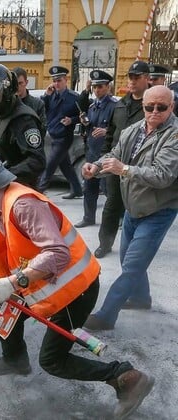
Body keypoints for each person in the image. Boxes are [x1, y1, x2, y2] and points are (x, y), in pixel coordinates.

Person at [0, 149, 155, 419]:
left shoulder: (22, 205)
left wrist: (15, 281)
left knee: (52, 360)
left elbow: (57, 253)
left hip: (74, 292)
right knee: (7, 309)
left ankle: (124, 377)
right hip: (52, 285)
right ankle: (14, 359)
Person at [82, 85, 178, 332]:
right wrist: (95, 166)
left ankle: (106, 315)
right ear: (143, 106)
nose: (154, 112)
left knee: (133, 265)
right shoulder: (134, 129)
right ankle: (140, 299)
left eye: (161, 107)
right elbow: (114, 153)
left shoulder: (175, 135)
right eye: (149, 107)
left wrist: (123, 169)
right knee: (128, 258)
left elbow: (162, 175)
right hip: (133, 206)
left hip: (158, 210)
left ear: (172, 106)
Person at [94, 61, 149, 258]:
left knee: (135, 209)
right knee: (111, 205)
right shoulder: (120, 104)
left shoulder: (152, 106)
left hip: (139, 167)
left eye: (137, 77)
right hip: (115, 164)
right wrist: (105, 157)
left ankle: (134, 247)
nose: (132, 81)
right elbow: (111, 134)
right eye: (130, 77)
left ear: (146, 78)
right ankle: (105, 243)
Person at [0, 64, 46, 188]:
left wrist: (6, 176)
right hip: (1, 187)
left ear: (6, 91)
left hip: (19, 190)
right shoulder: (1, 112)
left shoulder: (23, 118)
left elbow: (37, 160)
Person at [74, 70, 117, 228]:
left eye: (100, 87)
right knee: (89, 188)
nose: (97, 90)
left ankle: (117, 218)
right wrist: (85, 124)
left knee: (109, 189)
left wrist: (106, 131)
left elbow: (119, 129)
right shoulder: (92, 107)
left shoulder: (114, 107)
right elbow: (90, 127)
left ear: (107, 87)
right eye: (94, 87)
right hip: (92, 153)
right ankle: (88, 217)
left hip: (106, 154)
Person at [38, 66, 83, 199]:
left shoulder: (74, 97)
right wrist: (46, 95)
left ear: (66, 80)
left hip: (64, 137)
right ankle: (77, 189)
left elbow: (85, 113)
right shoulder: (51, 95)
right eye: (54, 81)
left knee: (50, 164)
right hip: (53, 135)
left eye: (59, 80)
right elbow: (42, 109)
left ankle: (39, 191)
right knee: (65, 165)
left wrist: (72, 120)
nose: (56, 83)